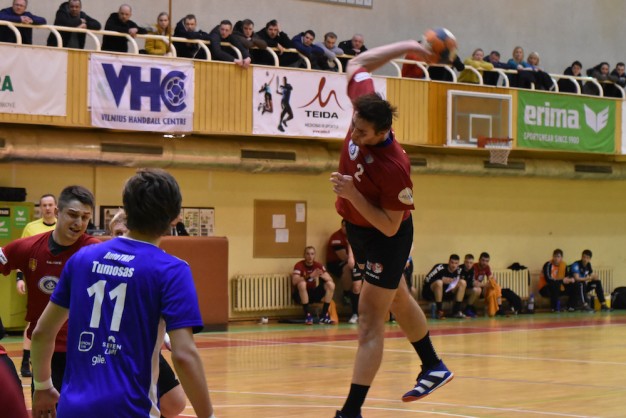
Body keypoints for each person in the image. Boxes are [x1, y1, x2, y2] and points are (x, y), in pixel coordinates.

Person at [330, 39, 452, 418]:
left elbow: (389, 225)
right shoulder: (365, 109)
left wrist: (352, 194)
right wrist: (411, 46)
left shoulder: (395, 167)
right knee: (397, 297)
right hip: (358, 228)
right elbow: (359, 62)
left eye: (363, 133)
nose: (355, 134)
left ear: (383, 132)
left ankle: (350, 411)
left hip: (386, 237)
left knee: (369, 321)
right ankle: (433, 365)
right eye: (354, 127)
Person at [31, 169, 214, 418]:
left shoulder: (82, 259)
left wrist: (43, 386)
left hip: (73, 409)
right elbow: (183, 355)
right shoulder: (172, 270)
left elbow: (42, 332)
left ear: (126, 211)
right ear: (175, 217)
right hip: (131, 410)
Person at [0, 186, 100, 396]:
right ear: (57, 213)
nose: (79, 223)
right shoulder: (29, 247)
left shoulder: (95, 251)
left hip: (84, 349)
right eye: (73, 215)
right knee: (46, 408)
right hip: (44, 350)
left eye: (85, 217)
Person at [16, 193, 58, 378]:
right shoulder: (31, 227)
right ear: (40, 208)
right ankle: (26, 360)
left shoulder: (62, 227)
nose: (47, 208)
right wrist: (19, 278)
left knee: (58, 321)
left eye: (50, 204)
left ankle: (53, 359)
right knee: (34, 320)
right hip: (36, 281)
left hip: (59, 281)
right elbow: (20, 253)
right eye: (44, 205)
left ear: (56, 207)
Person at [326, 219, 360, 324]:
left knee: (358, 285)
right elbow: (345, 258)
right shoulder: (336, 237)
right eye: (344, 226)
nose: (346, 228)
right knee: (349, 269)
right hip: (336, 263)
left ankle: (359, 313)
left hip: (357, 263)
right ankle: (346, 295)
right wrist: (351, 251)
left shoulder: (358, 236)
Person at [292, 246, 335, 324]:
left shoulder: (318, 265)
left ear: (314, 255)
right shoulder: (299, 265)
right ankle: (308, 315)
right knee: (302, 284)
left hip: (313, 293)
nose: (310, 256)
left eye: (312, 254)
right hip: (300, 294)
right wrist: (310, 276)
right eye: (308, 254)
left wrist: (322, 275)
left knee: (330, 285)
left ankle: (324, 315)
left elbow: (330, 279)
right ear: (304, 255)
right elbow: (294, 281)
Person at [422, 254, 467, 319]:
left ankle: (457, 311)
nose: (454, 265)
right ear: (448, 262)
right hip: (431, 293)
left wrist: (454, 282)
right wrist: (441, 279)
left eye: (456, 263)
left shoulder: (459, 271)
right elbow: (426, 280)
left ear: (458, 264)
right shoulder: (440, 267)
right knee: (439, 282)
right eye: (452, 262)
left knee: (463, 282)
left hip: (447, 293)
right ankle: (439, 311)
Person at [472, 252, 507, 317]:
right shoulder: (474, 267)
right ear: (479, 260)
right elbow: (474, 283)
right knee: (490, 288)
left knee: (495, 286)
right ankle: (498, 309)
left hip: (482, 289)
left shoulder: (487, 267)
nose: (484, 263)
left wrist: (493, 280)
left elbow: (490, 278)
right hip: (474, 289)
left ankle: (498, 309)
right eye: (483, 260)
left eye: (487, 261)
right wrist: (486, 285)